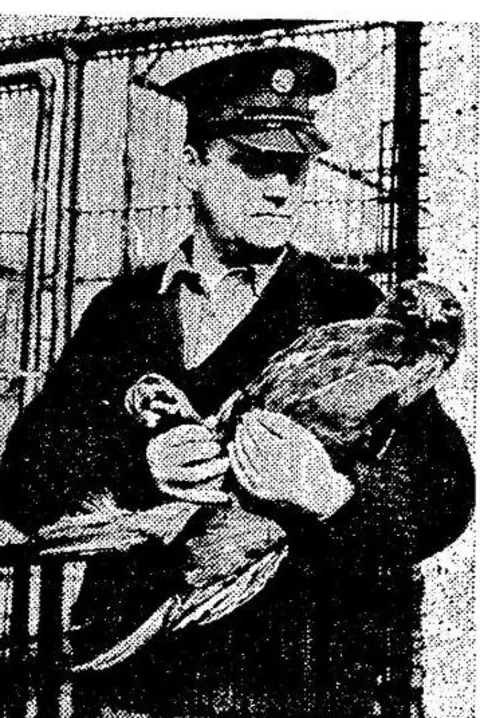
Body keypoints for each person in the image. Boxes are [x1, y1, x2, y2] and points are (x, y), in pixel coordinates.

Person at [0, 46, 474, 717]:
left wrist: (327, 491)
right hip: (137, 683)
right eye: (254, 165)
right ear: (193, 165)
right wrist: (140, 463)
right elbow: (24, 477)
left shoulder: (350, 307)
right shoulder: (124, 311)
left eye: (294, 168)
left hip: (294, 681)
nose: (280, 189)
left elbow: (442, 497)